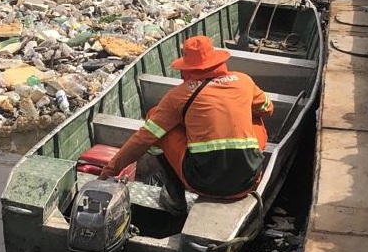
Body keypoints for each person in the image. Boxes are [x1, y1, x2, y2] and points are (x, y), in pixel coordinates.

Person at [99, 35, 273, 213]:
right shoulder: (244, 81)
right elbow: (268, 109)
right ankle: (250, 165)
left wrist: (108, 172)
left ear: (186, 69)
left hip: (201, 182)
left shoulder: (178, 95)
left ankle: (175, 195)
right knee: (255, 117)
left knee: (156, 122)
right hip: (248, 181)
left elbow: (142, 139)